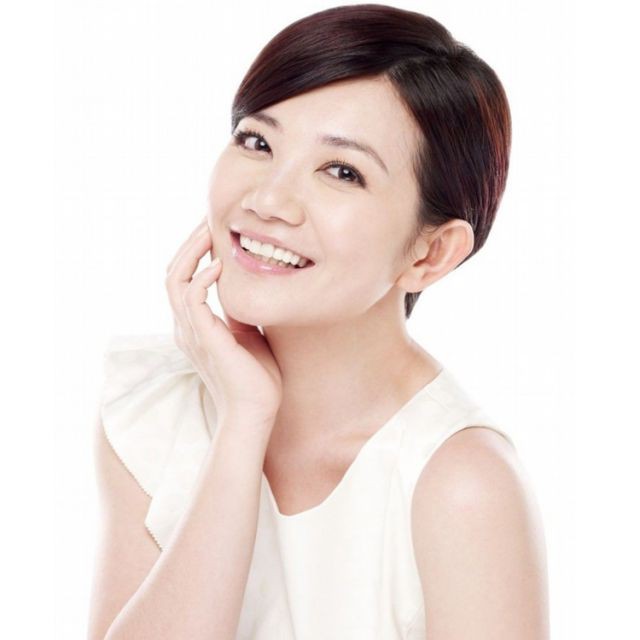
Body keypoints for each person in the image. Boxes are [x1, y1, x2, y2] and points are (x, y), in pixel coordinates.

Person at [88, 4, 549, 639]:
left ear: (430, 253)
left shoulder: (461, 485)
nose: (267, 200)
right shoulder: (156, 414)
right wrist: (244, 422)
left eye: (342, 172)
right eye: (257, 141)